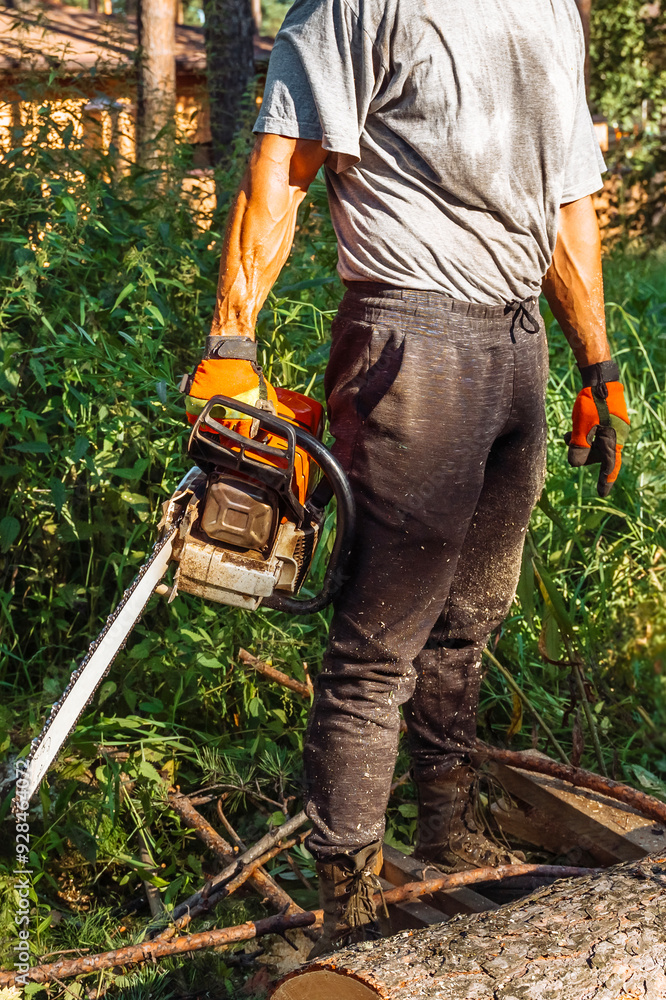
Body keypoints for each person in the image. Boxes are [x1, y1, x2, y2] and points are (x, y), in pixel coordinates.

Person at [183, 0, 630, 955]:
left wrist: (597, 363)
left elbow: (567, 199)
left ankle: (445, 830)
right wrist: (231, 339)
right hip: (411, 335)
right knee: (380, 641)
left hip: (519, 346)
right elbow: (284, 163)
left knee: (471, 615)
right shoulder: (352, 4)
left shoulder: (552, 10)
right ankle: (348, 893)